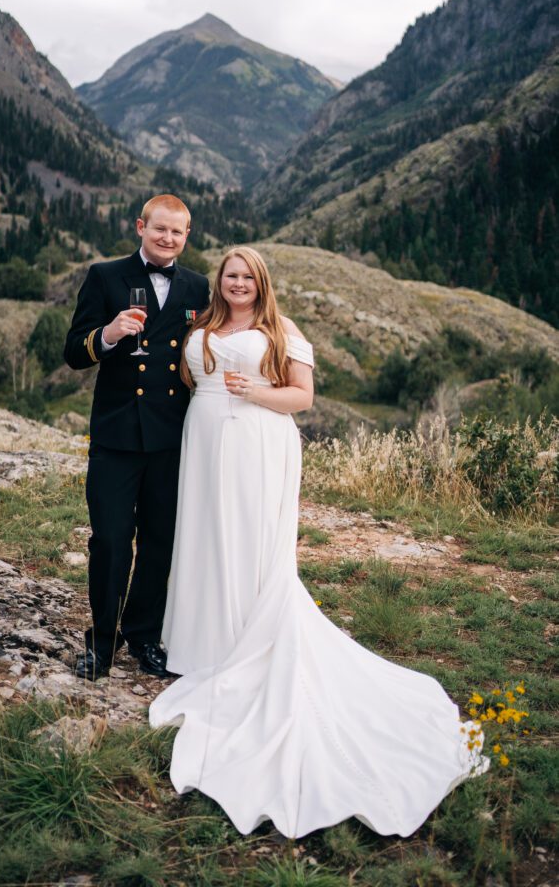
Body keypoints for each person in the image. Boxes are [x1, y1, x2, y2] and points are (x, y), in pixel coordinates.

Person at [149, 246, 487, 839]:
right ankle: (201, 643)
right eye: (230, 275)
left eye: (247, 276)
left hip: (257, 441)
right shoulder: (200, 326)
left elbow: (301, 398)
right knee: (204, 540)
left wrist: (250, 392)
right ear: (219, 281)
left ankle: (245, 643)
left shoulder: (282, 330)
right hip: (203, 444)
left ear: (261, 283)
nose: (237, 283)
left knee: (248, 544)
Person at [64, 194, 210, 680]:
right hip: (117, 435)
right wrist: (108, 334)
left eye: (177, 232)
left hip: (171, 437)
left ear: (187, 236)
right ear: (140, 227)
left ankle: (144, 636)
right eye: (159, 229)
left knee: (159, 542)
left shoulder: (197, 286)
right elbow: (74, 353)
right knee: (108, 540)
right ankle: (101, 644)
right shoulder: (105, 276)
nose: (168, 238)